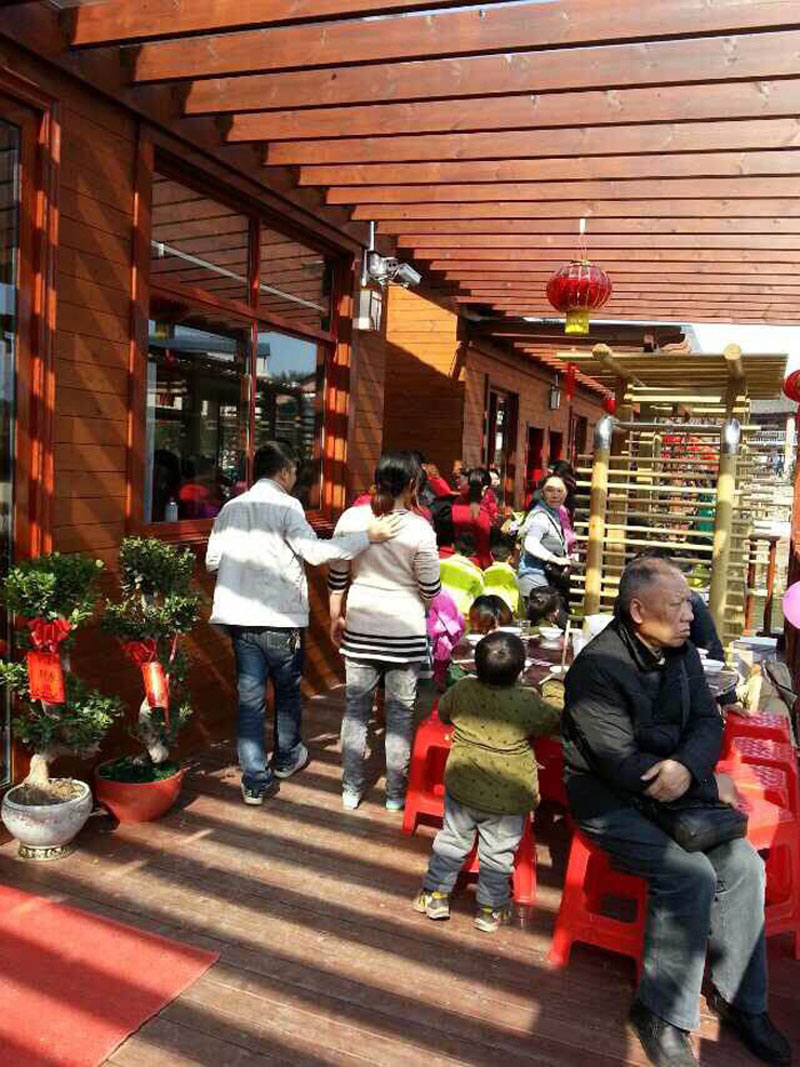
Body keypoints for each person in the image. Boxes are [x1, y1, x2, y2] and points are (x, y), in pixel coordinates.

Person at [562, 557, 791, 1067]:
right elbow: (621, 765)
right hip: (610, 799)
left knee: (745, 866)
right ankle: (659, 1014)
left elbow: (708, 724)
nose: (690, 615)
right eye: (678, 605)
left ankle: (740, 1000)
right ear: (638, 611)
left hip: (676, 790)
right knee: (688, 874)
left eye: (689, 603)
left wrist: (689, 770)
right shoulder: (596, 670)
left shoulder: (680, 652)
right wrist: (700, 780)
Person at [206, 440, 399, 806]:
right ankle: (286, 757)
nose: (296, 478)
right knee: (287, 691)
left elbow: (212, 562)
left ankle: (254, 781)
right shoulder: (287, 506)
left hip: (239, 619)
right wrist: (367, 537)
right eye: (294, 471)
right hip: (279, 618)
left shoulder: (230, 508)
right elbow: (314, 552)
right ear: (284, 472)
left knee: (250, 699)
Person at [413, 631, 561, 932]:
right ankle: (490, 910)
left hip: (463, 786)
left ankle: (435, 895)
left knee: (452, 840)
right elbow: (554, 722)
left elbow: (444, 714)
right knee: (498, 853)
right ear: (520, 671)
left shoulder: (463, 689)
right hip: (508, 796)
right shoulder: (528, 701)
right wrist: (555, 692)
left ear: (475, 665)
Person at [328, 451, 441, 812]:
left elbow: (337, 574)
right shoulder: (420, 528)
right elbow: (431, 588)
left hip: (360, 626)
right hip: (405, 633)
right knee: (400, 715)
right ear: (413, 484)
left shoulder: (352, 518)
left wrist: (335, 616)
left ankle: (351, 789)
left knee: (355, 711)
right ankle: (394, 794)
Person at [517, 475, 573, 604]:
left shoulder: (555, 513)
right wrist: (556, 559)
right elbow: (530, 544)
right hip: (535, 577)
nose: (555, 495)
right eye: (550, 490)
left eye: (559, 491)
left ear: (566, 493)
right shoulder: (540, 517)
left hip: (546, 578)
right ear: (542, 493)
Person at [439, 532, 486, 618]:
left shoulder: (439, 565)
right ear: (474, 553)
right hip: (461, 617)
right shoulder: (477, 575)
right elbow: (479, 600)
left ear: (453, 546)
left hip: (436, 613)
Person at [482, 534, 520, 616]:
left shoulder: (485, 572)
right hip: (506, 610)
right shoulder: (510, 573)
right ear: (510, 557)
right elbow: (514, 595)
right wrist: (517, 613)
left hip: (488, 610)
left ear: (491, 556)